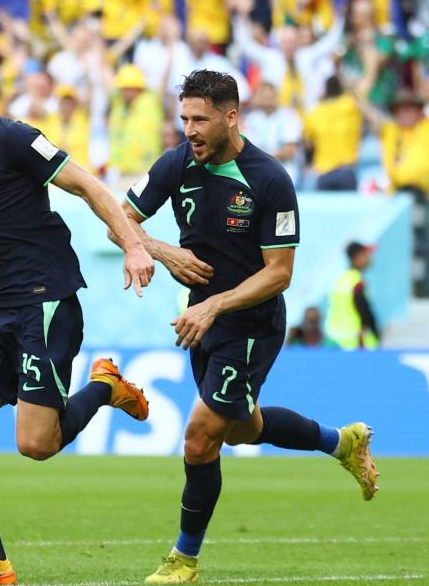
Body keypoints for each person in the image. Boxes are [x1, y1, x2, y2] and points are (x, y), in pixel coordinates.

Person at [118, 70, 378, 584]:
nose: (189, 129)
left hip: (251, 323)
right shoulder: (175, 163)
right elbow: (119, 216)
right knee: (241, 429)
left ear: (231, 116)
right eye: (184, 117)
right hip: (201, 322)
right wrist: (163, 251)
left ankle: (183, 560)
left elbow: (279, 273)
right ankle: (341, 442)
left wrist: (213, 306)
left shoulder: (268, 179)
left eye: (200, 119)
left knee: (199, 439)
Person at [0, 44, 155, 586]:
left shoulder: (11, 137)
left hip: (44, 298)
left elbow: (87, 184)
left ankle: (104, 386)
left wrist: (134, 244)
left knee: (36, 445)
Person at [324, 242, 380, 349]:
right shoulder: (356, 282)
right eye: (365, 255)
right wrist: (376, 334)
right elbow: (365, 311)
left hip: (332, 339)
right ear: (356, 258)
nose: (370, 259)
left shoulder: (340, 279)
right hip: (352, 342)